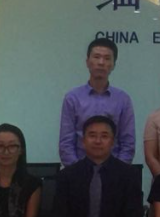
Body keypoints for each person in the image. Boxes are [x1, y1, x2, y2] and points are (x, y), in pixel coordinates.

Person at [52, 116, 143, 217]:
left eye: (104, 136)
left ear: (113, 142)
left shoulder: (129, 175)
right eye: (92, 135)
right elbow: (58, 216)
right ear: (83, 141)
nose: (98, 141)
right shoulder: (67, 176)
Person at [58, 38, 135, 166]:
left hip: (114, 171)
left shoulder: (123, 99)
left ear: (113, 64)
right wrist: (76, 171)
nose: (101, 62)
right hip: (79, 169)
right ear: (87, 62)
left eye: (107, 58)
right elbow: (66, 143)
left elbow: (128, 143)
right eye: (96, 57)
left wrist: (118, 171)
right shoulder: (72, 98)